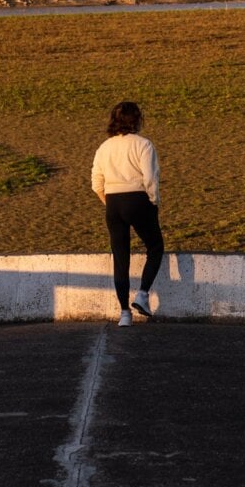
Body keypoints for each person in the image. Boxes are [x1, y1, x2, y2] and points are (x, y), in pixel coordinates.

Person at [91, 100, 162, 327]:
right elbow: (150, 179)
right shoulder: (143, 145)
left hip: (113, 203)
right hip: (138, 199)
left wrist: (110, 203)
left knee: (120, 259)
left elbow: (96, 184)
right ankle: (142, 294)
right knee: (155, 246)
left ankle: (124, 314)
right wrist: (153, 202)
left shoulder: (104, 147)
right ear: (137, 120)